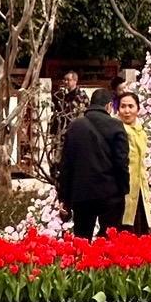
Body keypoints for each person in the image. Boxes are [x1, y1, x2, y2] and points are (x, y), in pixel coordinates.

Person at [59, 86, 130, 237]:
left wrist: (64, 197)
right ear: (109, 105)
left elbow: (66, 165)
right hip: (110, 194)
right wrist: (124, 189)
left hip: (82, 194)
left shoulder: (75, 126)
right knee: (109, 241)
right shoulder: (116, 126)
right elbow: (121, 162)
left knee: (82, 241)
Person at [117, 91, 151, 233]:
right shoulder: (117, 130)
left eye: (130, 106)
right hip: (123, 190)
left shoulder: (141, 132)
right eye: (123, 106)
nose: (126, 111)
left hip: (140, 188)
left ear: (138, 109)